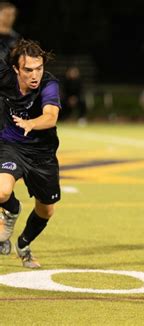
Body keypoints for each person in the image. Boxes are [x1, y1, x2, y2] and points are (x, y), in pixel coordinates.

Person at [0, 39, 61, 269]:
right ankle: (12, 210)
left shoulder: (49, 84)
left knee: (46, 210)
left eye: (39, 68)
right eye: (28, 70)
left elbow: (51, 116)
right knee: (2, 191)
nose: (35, 75)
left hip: (42, 153)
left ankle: (23, 244)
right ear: (16, 69)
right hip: (10, 145)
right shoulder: (5, 77)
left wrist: (31, 123)